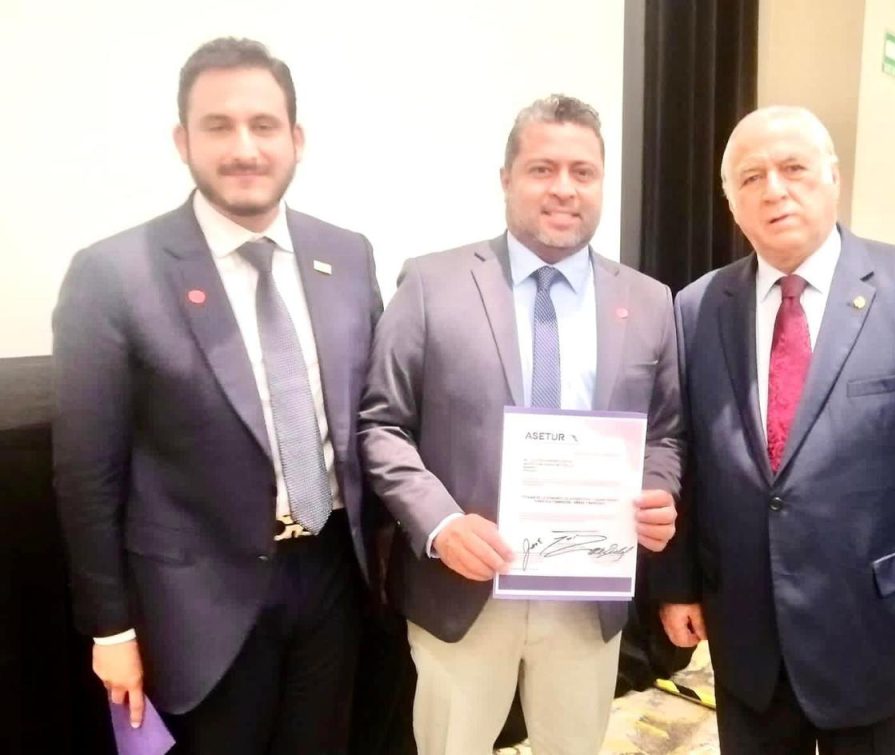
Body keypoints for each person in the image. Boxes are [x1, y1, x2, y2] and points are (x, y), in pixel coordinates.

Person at [652, 105, 895, 754]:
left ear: (833, 177)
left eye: (793, 168)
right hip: (748, 632)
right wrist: (678, 584)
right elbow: (686, 454)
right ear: (731, 203)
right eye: (751, 177)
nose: (774, 190)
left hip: (881, 625)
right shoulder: (697, 305)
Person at [53, 37, 382, 754]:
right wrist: (110, 628)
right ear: (183, 141)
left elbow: (373, 421)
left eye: (264, 125)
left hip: (333, 577)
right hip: (200, 605)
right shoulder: (113, 275)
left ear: (296, 139)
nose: (244, 148)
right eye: (218, 126)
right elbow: (87, 473)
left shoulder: (348, 255)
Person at [358, 94, 682, 755]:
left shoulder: (650, 301)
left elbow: (666, 431)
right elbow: (382, 424)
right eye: (542, 169)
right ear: (506, 179)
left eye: (583, 172)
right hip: (464, 587)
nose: (564, 188)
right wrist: (441, 525)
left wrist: (658, 490)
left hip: (587, 593)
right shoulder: (431, 284)